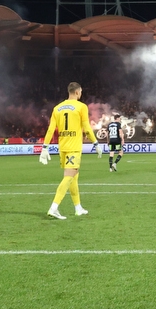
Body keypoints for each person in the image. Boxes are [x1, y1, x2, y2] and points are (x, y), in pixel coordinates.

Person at [39, 82, 101, 219]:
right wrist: (95, 143)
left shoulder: (57, 108)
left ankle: (78, 208)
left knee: (74, 178)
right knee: (68, 177)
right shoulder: (81, 107)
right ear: (78, 92)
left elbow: (50, 130)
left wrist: (45, 147)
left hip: (63, 148)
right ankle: (54, 207)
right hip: (74, 148)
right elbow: (86, 127)